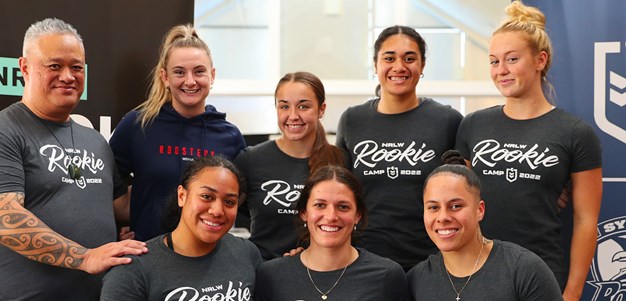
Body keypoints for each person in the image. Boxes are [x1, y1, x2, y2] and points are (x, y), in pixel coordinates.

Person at [455, 1, 602, 299]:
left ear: (540, 60)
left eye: (512, 59)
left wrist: (572, 293)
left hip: (542, 277)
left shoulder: (575, 133)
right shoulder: (473, 126)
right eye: (494, 61)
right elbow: (462, 203)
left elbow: (587, 221)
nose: (502, 70)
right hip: (476, 274)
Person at [0, 18, 148, 300]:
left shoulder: (94, 140)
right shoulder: (6, 130)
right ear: (24, 67)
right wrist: (85, 257)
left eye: (77, 67)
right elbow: (6, 220)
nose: (68, 76)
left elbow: (120, 206)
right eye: (54, 65)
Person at [335, 25, 463, 271]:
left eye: (410, 58)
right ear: (375, 65)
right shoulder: (353, 120)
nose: (399, 67)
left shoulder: (447, 121)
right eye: (389, 58)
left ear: (422, 66)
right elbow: (340, 192)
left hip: (431, 262)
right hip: (363, 261)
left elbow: (467, 188)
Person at [109, 24, 246, 241]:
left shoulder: (229, 136)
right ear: (165, 77)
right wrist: (118, 228)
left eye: (199, 71)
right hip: (147, 255)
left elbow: (240, 198)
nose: (190, 81)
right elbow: (105, 182)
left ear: (212, 75)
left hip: (208, 259)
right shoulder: (138, 125)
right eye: (179, 72)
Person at [407, 150, 563, 301]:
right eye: (433, 207)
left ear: (479, 210)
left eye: (455, 206)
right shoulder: (416, 280)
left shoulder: (524, 270)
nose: (443, 217)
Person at [101, 156, 262, 300]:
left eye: (229, 202)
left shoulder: (246, 253)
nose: (217, 211)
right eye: (206, 196)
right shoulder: (133, 270)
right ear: (182, 196)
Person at [255, 165, 408, 301]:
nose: (331, 216)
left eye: (343, 207)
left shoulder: (387, 276)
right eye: (320, 205)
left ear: (357, 216)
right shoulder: (271, 276)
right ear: (304, 213)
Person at [234, 71, 344, 260]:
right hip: (263, 275)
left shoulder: (339, 161)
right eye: (284, 106)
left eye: (303, 106)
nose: (293, 115)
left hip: (320, 274)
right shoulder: (251, 160)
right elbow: (226, 212)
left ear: (321, 109)